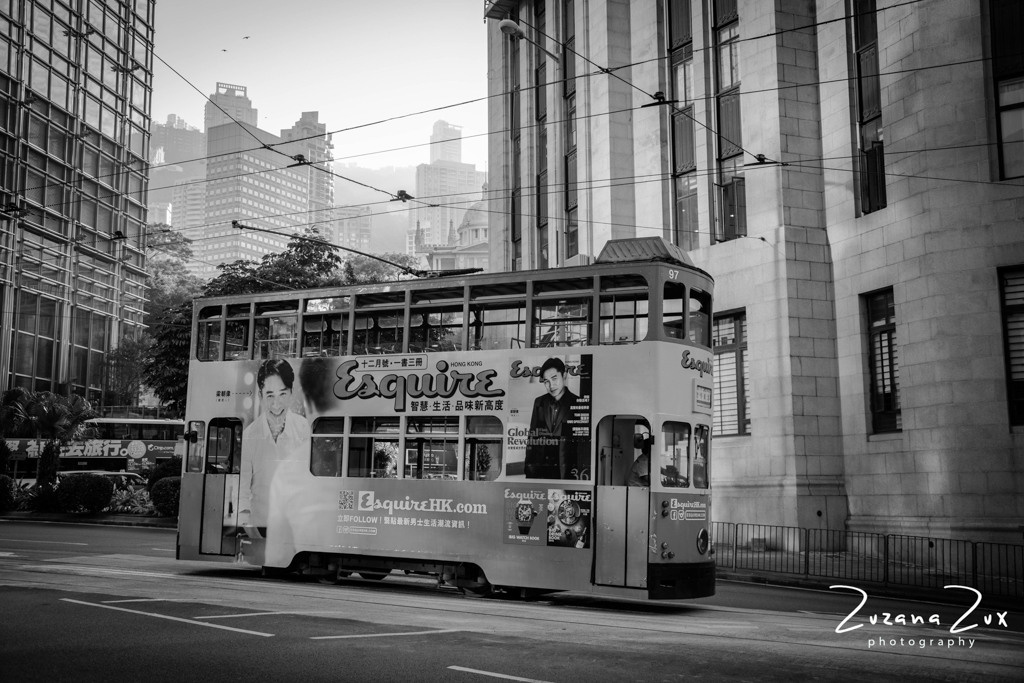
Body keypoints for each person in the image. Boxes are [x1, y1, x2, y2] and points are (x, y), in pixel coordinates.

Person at [239, 359, 311, 540]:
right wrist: (248, 526)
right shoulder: (250, 434)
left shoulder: (303, 428)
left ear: (291, 393)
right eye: (269, 395)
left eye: (282, 394)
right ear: (261, 396)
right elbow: (244, 485)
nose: (276, 404)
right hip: (261, 523)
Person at [525, 357, 579, 479]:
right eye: (546, 381)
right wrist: (528, 469)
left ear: (564, 376)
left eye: (554, 379)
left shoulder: (577, 402)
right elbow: (532, 437)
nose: (551, 385)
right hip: (541, 469)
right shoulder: (539, 402)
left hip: (565, 469)